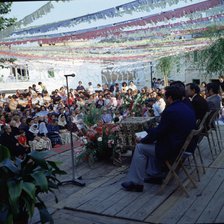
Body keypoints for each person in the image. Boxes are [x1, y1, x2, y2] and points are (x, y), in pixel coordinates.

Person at [121, 86, 196, 192]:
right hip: (183, 146)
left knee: (140, 148)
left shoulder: (171, 110)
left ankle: (136, 182)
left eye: (165, 97)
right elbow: (162, 131)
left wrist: (142, 139)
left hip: (174, 149)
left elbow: (159, 132)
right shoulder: (187, 108)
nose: (164, 99)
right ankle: (154, 173)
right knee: (151, 142)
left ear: (169, 98)